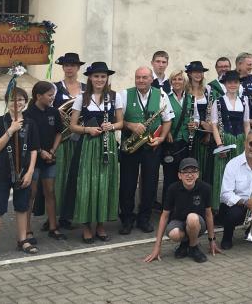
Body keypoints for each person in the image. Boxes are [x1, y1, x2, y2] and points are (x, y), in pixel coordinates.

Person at [0, 87, 40, 259]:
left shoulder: (30, 123)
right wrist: (11, 130)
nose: (18, 103)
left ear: (25, 101)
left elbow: (34, 150)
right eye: (13, 100)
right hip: (2, 172)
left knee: (22, 206)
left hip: (23, 171)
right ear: (7, 102)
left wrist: (30, 172)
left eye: (21, 99)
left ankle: (22, 239)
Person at [68, 62, 122, 243]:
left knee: (104, 183)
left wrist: (112, 125)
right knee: (87, 185)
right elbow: (72, 126)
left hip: (108, 146)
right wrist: (87, 130)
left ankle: (100, 224)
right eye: (96, 76)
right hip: (88, 145)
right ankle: (86, 226)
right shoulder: (82, 97)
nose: (100, 79)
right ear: (90, 78)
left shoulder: (116, 97)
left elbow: (121, 123)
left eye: (103, 76)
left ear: (107, 78)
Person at [118, 66, 173, 235]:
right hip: (131, 144)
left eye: (144, 77)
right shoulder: (124, 94)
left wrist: (162, 138)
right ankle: (127, 218)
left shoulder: (162, 95)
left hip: (151, 145)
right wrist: (130, 125)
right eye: (138, 77)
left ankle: (144, 218)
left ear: (151, 79)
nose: (140, 80)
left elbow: (167, 119)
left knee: (150, 183)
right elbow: (119, 120)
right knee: (127, 183)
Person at [144, 158, 220, 263]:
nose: (189, 175)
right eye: (185, 172)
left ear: (198, 174)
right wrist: (157, 247)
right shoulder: (172, 189)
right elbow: (164, 216)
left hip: (198, 224)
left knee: (192, 218)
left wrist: (212, 241)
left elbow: (208, 214)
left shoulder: (205, 188)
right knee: (174, 233)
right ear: (179, 175)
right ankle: (185, 245)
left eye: (193, 171)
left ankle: (193, 248)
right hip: (178, 222)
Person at [23, 81, 65, 242]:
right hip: (33, 161)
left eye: (53, 94)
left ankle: (53, 227)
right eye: (49, 95)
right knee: (31, 195)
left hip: (50, 159)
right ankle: (27, 230)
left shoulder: (53, 112)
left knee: (50, 192)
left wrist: (53, 150)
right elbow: (27, 138)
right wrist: (41, 152)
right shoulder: (28, 115)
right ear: (38, 96)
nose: (52, 97)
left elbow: (59, 133)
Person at [52, 52, 86, 230]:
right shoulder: (55, 88)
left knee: (77, 177)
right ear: (63, 67)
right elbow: (50, 111)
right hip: (62, 139)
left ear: (78, 68)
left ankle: (73, 214)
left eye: (73, 65)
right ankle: (55, 216)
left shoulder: (86, 88)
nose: (70, 68)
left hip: (80, 138)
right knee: (59, 178)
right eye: (66, 65)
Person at [210, 70, 251, 211]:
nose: (232, 85)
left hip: (240, 140)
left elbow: (246, 124)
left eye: (235, 82)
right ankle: (221, 207)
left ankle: (238, 205)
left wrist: (248, 142)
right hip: (225, 140)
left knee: (239, 173)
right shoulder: (218, 102)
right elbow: (214, 125)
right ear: (225, 84)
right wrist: (220, 144)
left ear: (239, 84)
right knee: (223, 172)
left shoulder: (244, 101)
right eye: (229, 82)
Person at [161, 70, 199, 207]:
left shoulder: (191, 98)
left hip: (187, 142)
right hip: (171, 143)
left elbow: (196, 117)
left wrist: (194, 124)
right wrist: (167, 132)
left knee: (186, 174)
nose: (177, 82)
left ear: (184, 82)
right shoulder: (165, 97)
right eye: (174, 79)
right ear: (170, 82)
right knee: (170, 177)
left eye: (180, 79)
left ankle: (184, 204)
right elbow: (162, 118)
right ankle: (168, 207)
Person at [186, 61, 213, 185]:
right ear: (190, 74)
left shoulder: (207, 90)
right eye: (195, 72)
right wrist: (200, 122)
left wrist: (208, 133)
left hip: (204, 131)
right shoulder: (185, 89)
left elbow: (210, 111)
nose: (198, 74)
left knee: (204, 163)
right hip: (190, 130)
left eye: (200, 72)